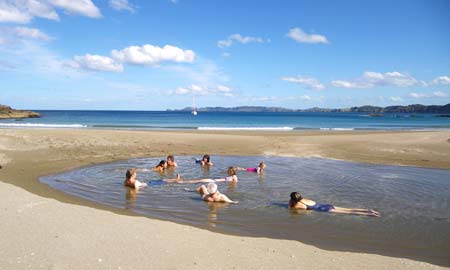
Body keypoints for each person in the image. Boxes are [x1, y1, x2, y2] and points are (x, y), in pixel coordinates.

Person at [288, 192, 380, 217]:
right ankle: (369, 210)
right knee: (349, 209)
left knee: (350, 213)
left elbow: (291, 209)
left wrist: (291, 204)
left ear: (293, 199)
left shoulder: (298, 205)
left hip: (325, 210)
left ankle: (370, 214)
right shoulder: (306, 199)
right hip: (327, 205)